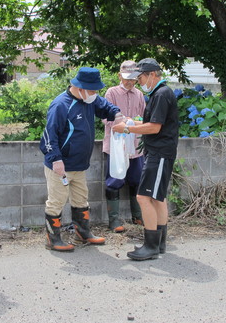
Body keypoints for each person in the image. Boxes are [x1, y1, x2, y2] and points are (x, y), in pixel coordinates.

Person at [40, 67, 123, 252]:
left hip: (79, 165)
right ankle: (52, 239)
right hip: (60, 166)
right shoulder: (61, 105)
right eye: (92, 90)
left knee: (81, 199)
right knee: (56, 201)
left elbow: (105, 107)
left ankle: (82, 233)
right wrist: (55, 159)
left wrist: (117, 114)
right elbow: (48, 135)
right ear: (80, 87)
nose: (95, 94)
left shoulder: (89, 99)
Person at [112, 58, 179, 261]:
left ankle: (151, 246)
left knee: (144, 197)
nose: (139, 81)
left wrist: (126, 127)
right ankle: (159, 244)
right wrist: (136, 121)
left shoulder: (161, 94)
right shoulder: (160, 93)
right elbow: (152, 122)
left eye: (140, 77)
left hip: (159, 153)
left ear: (151, 74)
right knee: (158, 198)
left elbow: (154, 128)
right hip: (159, 152)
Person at [102, 60, 146, 232]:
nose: (130, 82)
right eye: (126, 78)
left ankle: (138, 216)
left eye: (133, 79)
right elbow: (106, 118)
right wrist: (125, 121)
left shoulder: (140, 95)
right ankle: (114, 220)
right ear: (119, 76)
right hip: (116, 146)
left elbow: (143, 118)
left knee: (137, 180)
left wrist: (135, 123)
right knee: (115, 180)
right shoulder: (111, 93)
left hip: (135, 146)